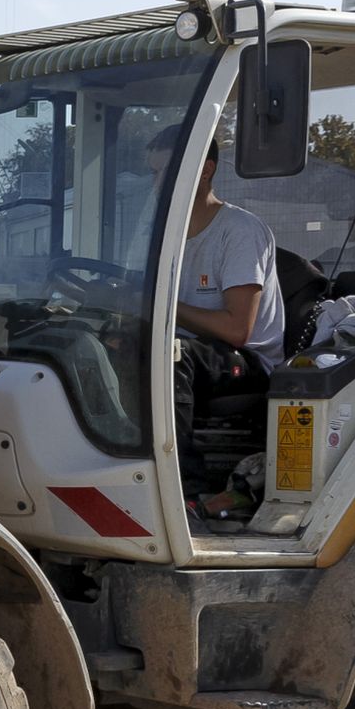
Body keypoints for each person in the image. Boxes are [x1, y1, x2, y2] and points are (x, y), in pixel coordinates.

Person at [152, 128, 283, 493]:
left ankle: (181, 489)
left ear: (205, 170)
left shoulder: (239, 231)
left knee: (170, 357)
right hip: (194, 348)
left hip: (249, 361)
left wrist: (162, 308)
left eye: (165, 172)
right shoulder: (165, 236)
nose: (156, 183)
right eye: (154, 172)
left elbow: (237, 329)